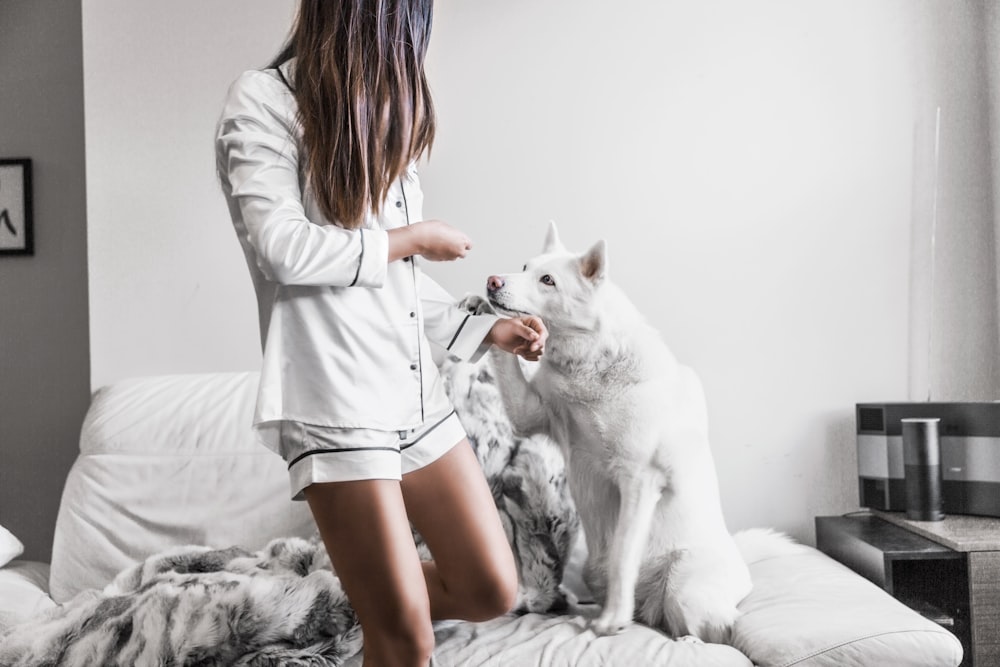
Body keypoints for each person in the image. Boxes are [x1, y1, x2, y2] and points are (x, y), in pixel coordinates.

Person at [214, 2, 547, 666]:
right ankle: (381, 607)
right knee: (405, 639)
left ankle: (354, 599)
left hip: (411, 391)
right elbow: (282, 248)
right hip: (335, 402)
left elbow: (393, 284)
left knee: (490, 584)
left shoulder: (380, 119)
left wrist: (483, 329)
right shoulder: (263, 102)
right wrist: (413, 237)